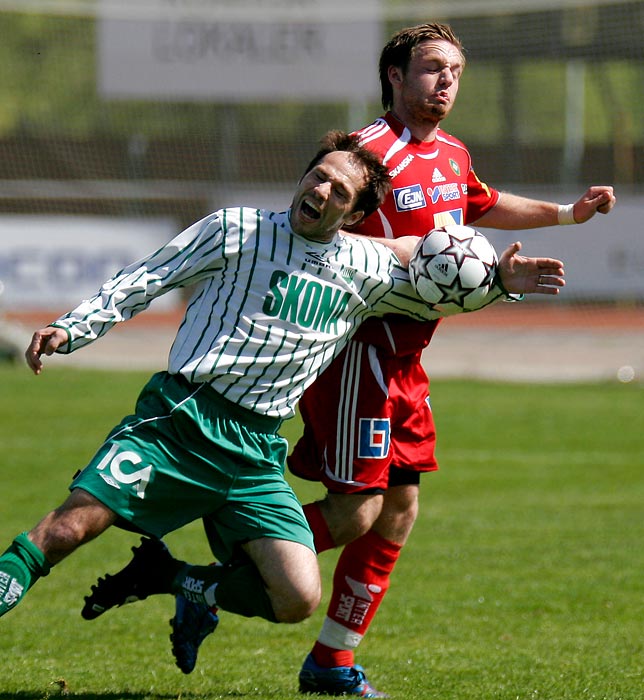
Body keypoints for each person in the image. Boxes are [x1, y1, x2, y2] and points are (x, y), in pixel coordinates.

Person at [0, 131, 559, 641]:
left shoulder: (365, 268)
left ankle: (186, 583)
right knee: (71, 526)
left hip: (256, 453)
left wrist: (499, 283)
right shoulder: (235, 228)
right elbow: (149, 277)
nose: (321, 189)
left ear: (356, 212)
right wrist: (72, 327)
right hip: (181, 422)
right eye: (318, 175)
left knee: (297, 597)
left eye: (339, 190)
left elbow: (436, 291)